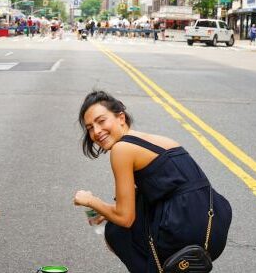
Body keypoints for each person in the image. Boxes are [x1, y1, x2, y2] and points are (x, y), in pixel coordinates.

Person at [74, 91, 232, 273]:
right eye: (90, 128)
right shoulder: (155, 140)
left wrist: (90, 200)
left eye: (101, 121)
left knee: (116, 232)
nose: (96, 131)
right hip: (213, 225)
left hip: (185, 230)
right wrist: (106, 210)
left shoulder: (122, 149)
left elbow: (125, 218)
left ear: (121, 118)